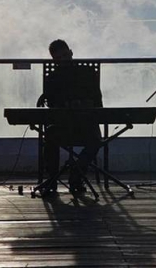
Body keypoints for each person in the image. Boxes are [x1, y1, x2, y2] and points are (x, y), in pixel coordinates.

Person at [39, 39, 103, 194]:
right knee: (50, 137)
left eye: (65, 55)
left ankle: (76, 172)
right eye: (59, 58)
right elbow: (52, 105)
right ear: (54, 60)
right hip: (63, 125)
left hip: (85, 123)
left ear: (71, 53)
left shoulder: (87, 73)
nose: (64, 60)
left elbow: (98, 101)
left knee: (95, 140)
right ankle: (54, 178)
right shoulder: (53, 78)